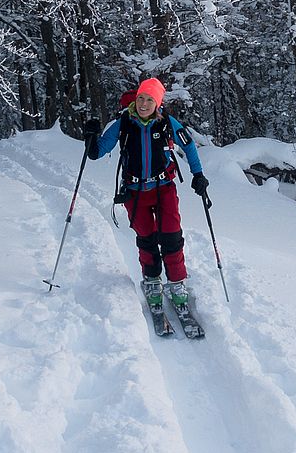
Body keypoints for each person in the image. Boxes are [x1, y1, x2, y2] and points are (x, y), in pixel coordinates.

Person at [83, 78, 209, 309]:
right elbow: (98, 152)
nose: (143, 103)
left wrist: (198, 174)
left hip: (164, 188)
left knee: (171, 235)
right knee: (146, 237)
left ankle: (176, 281)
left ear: (158, 102)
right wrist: (90, 137)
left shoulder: (168, 123)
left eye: (150, 99)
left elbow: (188, 146)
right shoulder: (122, 123)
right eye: (141, 98)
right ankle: (152, 279)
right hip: (135, 191)